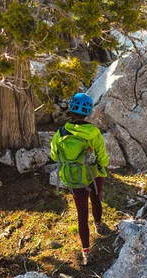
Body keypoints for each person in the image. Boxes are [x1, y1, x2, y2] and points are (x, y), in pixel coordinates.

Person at [50, 93, 109, 266]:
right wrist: (103, 165)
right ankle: (98, 225)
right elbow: (102, 158)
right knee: (96, 200)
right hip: (93, 174)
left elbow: (54, 155)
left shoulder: (60, 133)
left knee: (81, 214)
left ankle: (86, 252)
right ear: (88, 112)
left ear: (70, 109)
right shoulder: (93, 133)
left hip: (73, 178)